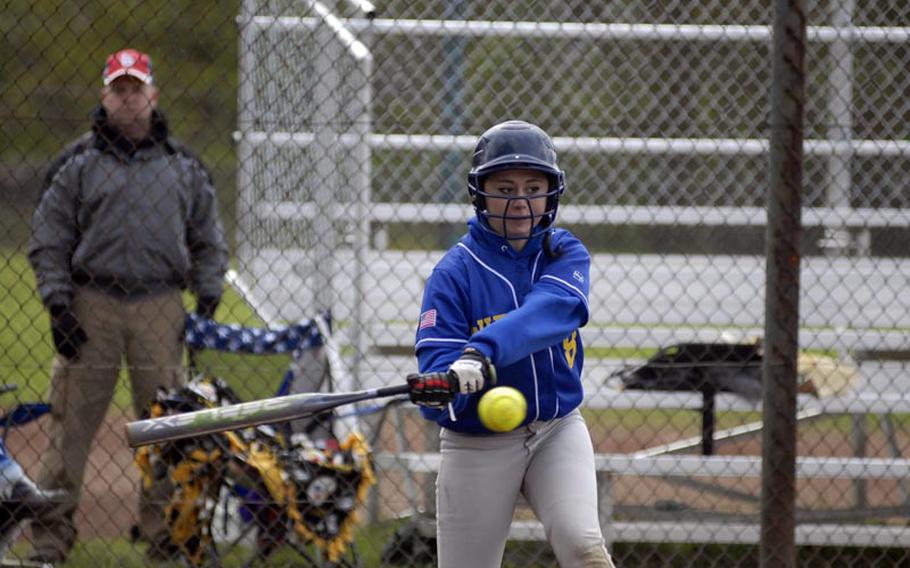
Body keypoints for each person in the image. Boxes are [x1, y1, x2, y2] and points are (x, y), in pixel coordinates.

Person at [27, 48, 229, 563]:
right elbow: (48, 238)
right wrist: (58, 303)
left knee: (167, 428)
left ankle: (164, 538)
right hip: (90, 302)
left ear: (153, 95)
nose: (127, 98)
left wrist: (206, 294)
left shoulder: (182, 167)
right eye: (118, 89)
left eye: (136, 88)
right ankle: (50, 541)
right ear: (104, 97)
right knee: (68, 429)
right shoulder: (77, 164)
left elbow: (208, 236)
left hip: (161, 304)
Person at [407, 120, 616, 567]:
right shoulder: (454, 273)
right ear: (480, 195)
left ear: (550, 193)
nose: (520, 202)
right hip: (478, 444)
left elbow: (555, 309)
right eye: (504, 188)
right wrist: (445, 385)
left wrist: (480, 351)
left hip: (556, 429)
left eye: (532, 187)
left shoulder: (563, 252)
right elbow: (437, 369)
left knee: (583, 548)